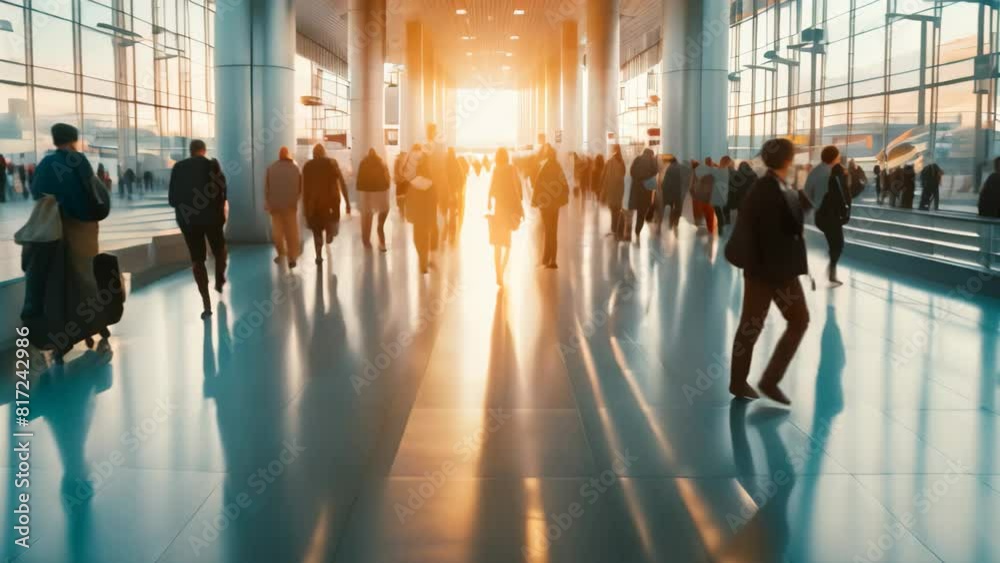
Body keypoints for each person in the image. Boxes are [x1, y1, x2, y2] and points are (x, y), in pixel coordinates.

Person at [729, 138, 811, 405]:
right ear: (787, 160)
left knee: (751, 326)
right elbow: (782, 229)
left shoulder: (769, 186)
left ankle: (742, 381)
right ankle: (764, 380)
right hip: (773, 272)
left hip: (765, 270)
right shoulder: (769, 189)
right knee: (794, 320)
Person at [29, 123, 114, 354]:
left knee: (60, 281)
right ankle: (95, 325)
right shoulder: (78, 160)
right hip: (81, 230)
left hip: (54, 230)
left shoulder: (46, 163)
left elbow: (36, 192)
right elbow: (94, 196)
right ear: (74, 139)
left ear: (56, 140)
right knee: (86, 279)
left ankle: (63, 336)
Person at [169, 139, 228, 318]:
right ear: (203, 150)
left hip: (189, 221)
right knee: (220, 251)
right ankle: (219, 279)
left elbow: (172, 199)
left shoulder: (178, 168)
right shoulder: (212, 165)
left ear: (190, 151)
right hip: (212, 219)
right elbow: (223, 193)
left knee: (197, 260)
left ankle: (206, 304)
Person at [302, 143, 350, 263]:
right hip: (331, 202)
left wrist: (305, 208)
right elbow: (342, 182)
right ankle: (329, 233)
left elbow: (304, 188)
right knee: (331, 222)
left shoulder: (307, 166)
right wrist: (347, 201)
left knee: (316, 230)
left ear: (313, 153)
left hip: (314, 203)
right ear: (324, 152)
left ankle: (318, 255)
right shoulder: (332, 163)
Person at [487, 147, 524, 286]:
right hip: (509, 210)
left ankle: (498, 274)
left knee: (497, 244)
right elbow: (517, 188)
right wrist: (520, 208)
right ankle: (502, 271)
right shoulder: (511, 169)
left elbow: (491, 188)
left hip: (499, 210)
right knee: (507, 244)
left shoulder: (496, 170)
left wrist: (489, 201)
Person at [815, 163, 854, 286]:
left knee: (835, 245)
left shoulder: (829, 183)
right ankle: (831, 272)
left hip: (826, 219)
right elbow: (841, 201)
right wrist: (844, 216)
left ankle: (832, 271)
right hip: (831, 220)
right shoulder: (836, 184)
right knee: (838, 245)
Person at [531, 144, 569, 269]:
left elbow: (538, 185)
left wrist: (535, 201)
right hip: (555, 204)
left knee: (548, 232)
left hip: (546, 205)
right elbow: (564, 184)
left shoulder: (545, 166)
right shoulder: (558, 167)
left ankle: (547, 260)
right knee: (553, 231)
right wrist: (563, 199)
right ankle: (551, 259)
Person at [265, 146, 302, 268]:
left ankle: (281, 253)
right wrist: (296, 199)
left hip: (275, 207)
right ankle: (292, 257)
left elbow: (267, 188)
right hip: (290, 206)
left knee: (277, 233)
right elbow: (300, 188)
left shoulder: (271, 168)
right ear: (288, 155)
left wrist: (268, 203)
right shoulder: (295, 168)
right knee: (292, 233)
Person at [403, 143, 436, 273]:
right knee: (422, 237)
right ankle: (423, 260)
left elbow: (410, 195)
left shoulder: (420, 175)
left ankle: (423, 261)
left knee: (418, 238)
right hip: (424, 212)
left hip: (420, 212)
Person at [357, 147, 392, 251]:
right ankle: (382, 244)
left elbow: (359, 178)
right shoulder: (381, 163)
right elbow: (387, 178)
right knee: (380, 224)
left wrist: (360, 188)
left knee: (367, 218)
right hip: (381, 194)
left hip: (367, 193)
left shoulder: (363, 163)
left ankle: (366, 241)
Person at [627, 148, 658, 241]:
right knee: (641, 212)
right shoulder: (652, 161)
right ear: (651, 154)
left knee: (632, 210)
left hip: (636, 188)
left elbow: (631, 171)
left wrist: (637, 178)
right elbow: (655, 171)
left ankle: (628, 230)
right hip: (646, 189)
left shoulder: (637, 159)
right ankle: (637, 231)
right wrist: (647, 176)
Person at [601, 144, 626, 239]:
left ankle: (614, 229)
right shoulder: (622, 161)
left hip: (612, 189)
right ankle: (617, 229)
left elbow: (606, 177)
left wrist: (604, 190)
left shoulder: (610, 162)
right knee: (617, 209)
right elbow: (624, 175)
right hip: (619, 189)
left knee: (613, 210)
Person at [445, 147, 466, 242]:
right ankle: (452, 234)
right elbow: (462, 178)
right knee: (452, 214)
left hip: (445, 193)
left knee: (445, 213)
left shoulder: (444, 164)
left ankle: (446, 232)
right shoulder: (456, 163)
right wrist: (458, 191)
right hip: (453, 193)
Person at [660, 157, 686, 231]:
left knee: (671, 207)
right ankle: (676, 222)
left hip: (670, 191)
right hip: (678, 192)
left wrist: (663, 188)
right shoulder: (680, 168)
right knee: (678, 208)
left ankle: (671, 222)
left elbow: (665, 181)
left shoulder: (669, 168)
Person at [714, 156, 735, 234]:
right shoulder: (731, 171)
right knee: (726, 209)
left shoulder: (718, 171)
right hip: (728, 194)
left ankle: (721, 223)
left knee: (719, 208)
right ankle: (726, 221)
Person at [394, 150, 409, 217]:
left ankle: (402, 211)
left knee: (401, 197)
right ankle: (402, 211)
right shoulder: (400, 162)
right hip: (402, 182)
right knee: (401, 197)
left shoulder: (398, 161)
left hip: (401, 182)